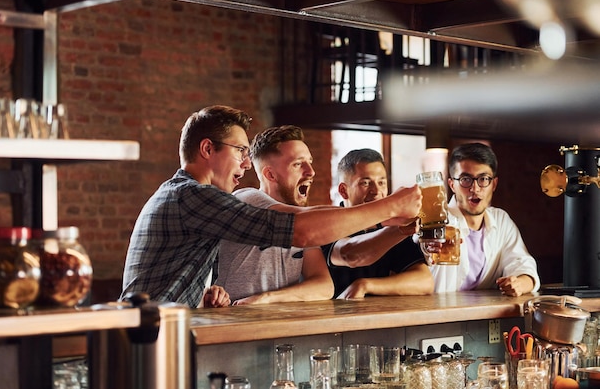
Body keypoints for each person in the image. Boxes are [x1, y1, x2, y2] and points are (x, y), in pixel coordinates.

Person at [121, 105, 422, 308]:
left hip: (153, 329)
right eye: (239, 150)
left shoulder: (190, 196)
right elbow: (301, 230)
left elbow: (323, 234)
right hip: (144, 334)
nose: (244, 162)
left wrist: (202, 295)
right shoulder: (193, 196)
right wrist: (392, 205)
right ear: (207, 149)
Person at [215, 126, 333, 305]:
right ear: (270, 174)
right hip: (233, 325)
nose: (311, 171)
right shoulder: (246, 199)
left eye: (310, 162)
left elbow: (324, 286)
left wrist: (267, 298)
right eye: (298, 164)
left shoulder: (303, 224)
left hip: (277, 325)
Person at [428, 142, 540, 296]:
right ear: (452, 185)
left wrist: (519, 284)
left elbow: (523, 265)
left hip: (484, 315)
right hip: (438, 315)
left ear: (493, 184)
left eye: (483, 179)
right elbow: (420, 241)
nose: (475, 189)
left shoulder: (500, 220)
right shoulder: (437, 220)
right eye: (465, 179)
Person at [322, 149, 434, 299]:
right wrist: (400, 230)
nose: (376, 191)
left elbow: (424, 281)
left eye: (381, 182)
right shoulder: (328, 222)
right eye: (365, 183)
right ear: (343, 191)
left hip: (378, 318)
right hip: (329, 318)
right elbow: (350, 254)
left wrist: (366, 285)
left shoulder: (391, 226)